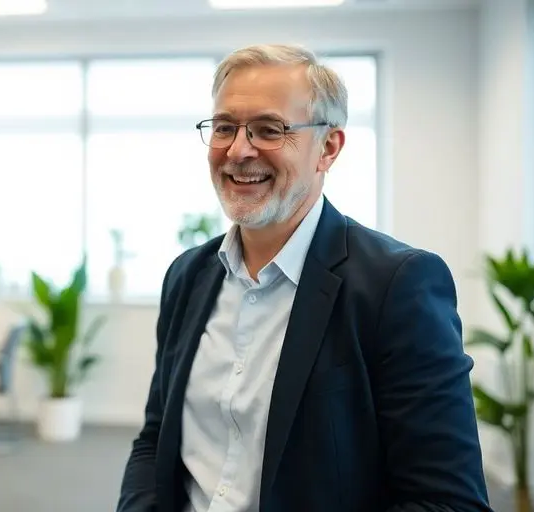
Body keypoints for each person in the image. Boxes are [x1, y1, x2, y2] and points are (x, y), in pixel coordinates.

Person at [116, 44, 491, 512]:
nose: (238, 150)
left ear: (328, 148)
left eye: (269, 130)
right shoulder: (187, 277)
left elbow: (447, 502)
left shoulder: (397, 285)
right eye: (225, 127)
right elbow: (156, 441)